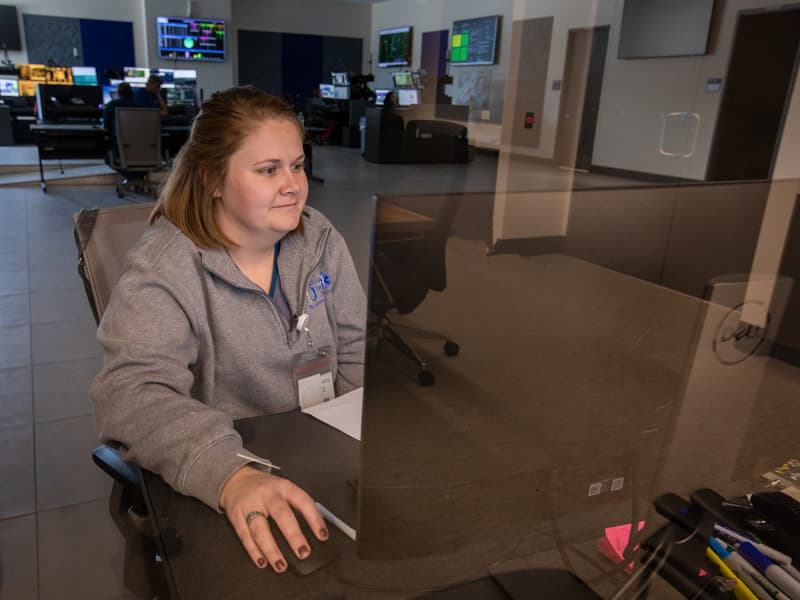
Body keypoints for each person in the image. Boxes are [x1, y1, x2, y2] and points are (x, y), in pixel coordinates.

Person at [91, 86, 367, 573]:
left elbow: (356, 342)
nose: (293, 186)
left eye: (297, 165)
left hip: (327, 451)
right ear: (213, 179)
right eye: (268, 170)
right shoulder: (165, 269)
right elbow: (131, 394)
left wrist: (362, 440)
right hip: (230, 465)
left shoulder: (319, 237)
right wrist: (231, 477)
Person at [102, 82, 135, 165]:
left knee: (108, 158)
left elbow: (106, 127)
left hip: (120, 149)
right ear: (131, 93)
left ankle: (130, 176)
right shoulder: (140, 106)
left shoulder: (111, 105)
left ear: (119, 93)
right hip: (142, 150)